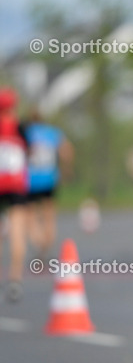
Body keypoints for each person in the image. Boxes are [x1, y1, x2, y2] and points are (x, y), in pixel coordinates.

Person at [23, 108, 74, 261]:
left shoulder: (26, 133)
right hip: (49, 178)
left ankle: (39, 242)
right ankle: (47, 242)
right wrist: (66, 168)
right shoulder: (52, 132)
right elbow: (67, 151)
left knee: (30, 214)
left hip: (30, 180)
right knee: (49, 214)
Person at [0, 88, 29, 301]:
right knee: (18, 232)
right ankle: (15, 280)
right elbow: (29, 151)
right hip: (17, 185)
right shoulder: (20, 127)